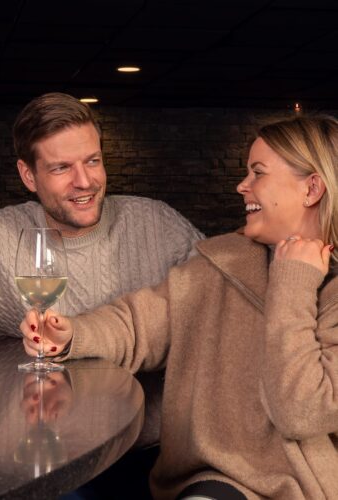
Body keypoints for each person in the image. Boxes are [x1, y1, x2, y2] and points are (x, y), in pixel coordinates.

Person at [20, 114, 338, 499]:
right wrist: (71, 334)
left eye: (258, 173)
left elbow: (301, 411)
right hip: (216, 477)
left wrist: (295, 280)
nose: (243, 186)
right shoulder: (222, 260)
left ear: (313, 188)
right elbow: (138, 323)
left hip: (302, 489)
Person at [0, 92, 203, 358]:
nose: (84, 181)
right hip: (43, 430)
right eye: (61, 168)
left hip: (152, 432)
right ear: (29, 176)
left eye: (93, 161)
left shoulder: (157, 224)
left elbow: (229, 300)